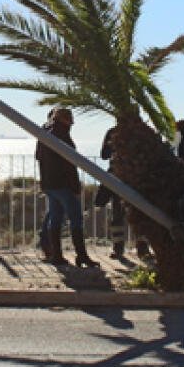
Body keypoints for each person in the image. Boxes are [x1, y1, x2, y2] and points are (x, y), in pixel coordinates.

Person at [34, 108, 98, 268]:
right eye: (70, 119)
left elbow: (38, 157)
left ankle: (57, 255)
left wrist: (44, 183)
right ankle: (81, 256)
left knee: (55, 219)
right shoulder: (62, 134)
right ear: (66, 120)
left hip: (49, 184)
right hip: (63, 185)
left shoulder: (44, 133)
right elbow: (69, 164)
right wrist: (76, 188)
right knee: (76, 219)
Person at [93, 126, 151, 260]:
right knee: (138, 213)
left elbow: (104, 154)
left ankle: (119, 248)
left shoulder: (113, 132)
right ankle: (142, 248)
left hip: (119, 176)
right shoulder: (141, 131)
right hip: (137, 176)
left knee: (118, 213)